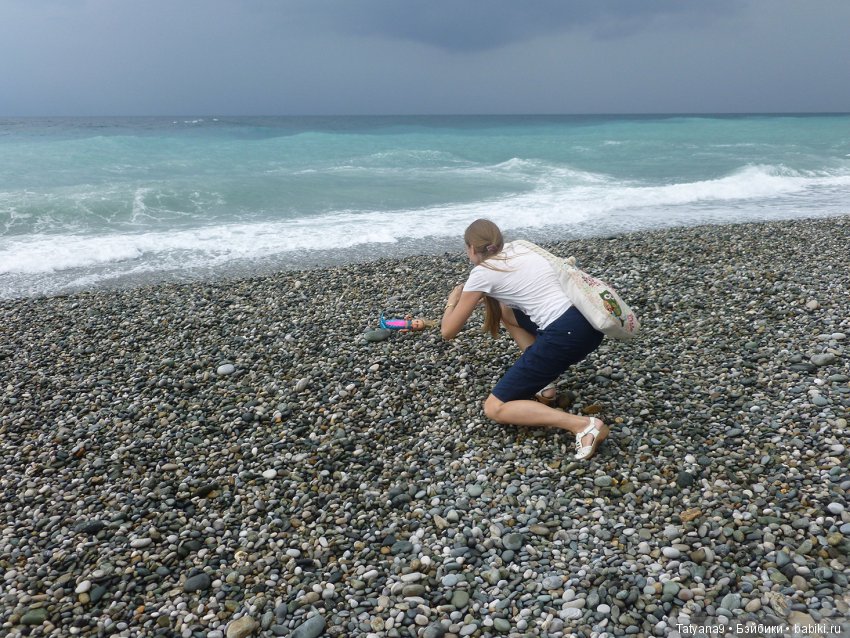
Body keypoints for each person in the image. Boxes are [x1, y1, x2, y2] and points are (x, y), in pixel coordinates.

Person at [441, 219, 609, 460]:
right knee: (507, 312)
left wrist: (452, 301)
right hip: (591, 321)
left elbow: (448, 331)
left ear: (470, 249)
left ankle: (583, 425)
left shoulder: (481, 274)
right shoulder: (522, 247)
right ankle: (545, 384)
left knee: (495, 408)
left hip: (566, 335)